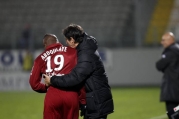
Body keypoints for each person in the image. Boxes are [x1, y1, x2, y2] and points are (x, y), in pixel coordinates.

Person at [44, 24, 114, 119]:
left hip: (97, 103)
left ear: (72, 40)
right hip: (95, 101)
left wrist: (52, 80)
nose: (66, 43)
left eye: (67, 40)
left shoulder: (86, 54)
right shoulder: (85, 48)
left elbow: (75, 78)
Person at [29, 34, 86, 119]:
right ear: (58, 41)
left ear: (45, 44)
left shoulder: (39, 59)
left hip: (53, 95)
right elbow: (80, 77)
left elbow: (34, 84)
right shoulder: (73, 52)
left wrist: (46, 87)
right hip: (71, 94)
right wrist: (82, 100)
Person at [156, 32, 179, 113]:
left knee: (172, 112)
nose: (162, 42)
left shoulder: (170, 51)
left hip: (172, 91)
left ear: (170, 40)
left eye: (164, 40)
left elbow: (159, 65)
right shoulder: (177, 49)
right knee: (176, 111)